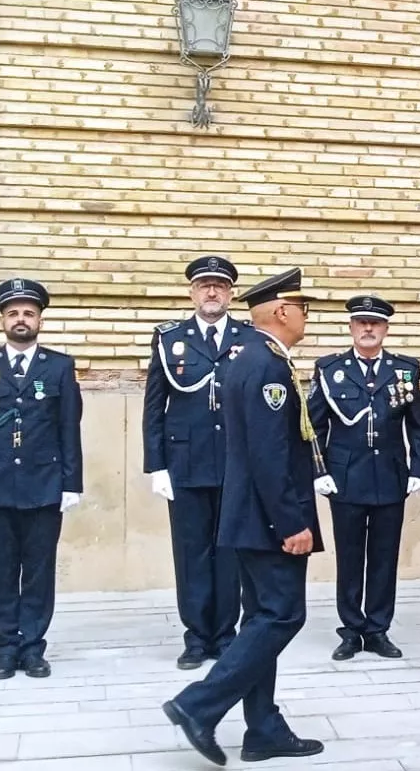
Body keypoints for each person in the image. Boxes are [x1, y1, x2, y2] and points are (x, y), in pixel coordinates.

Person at [164, 268, 325, 766]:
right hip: (267, 521)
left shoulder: (257, 359)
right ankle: (199, 705)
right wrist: (291, 523)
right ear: (281, 311)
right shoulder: (265, 367)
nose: (305, 316)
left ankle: (263, 729)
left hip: (252, 518)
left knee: (261, 618)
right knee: (281, 616)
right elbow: (268, 455)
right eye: (302, 307)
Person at [0, 278, 83, 680]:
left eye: (29, 312)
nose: (21, 319)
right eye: (13, 313)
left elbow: (69, 428)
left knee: (38, 571)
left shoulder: (59, 367)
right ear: (2, 320)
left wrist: (71, 483)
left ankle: (32, 648)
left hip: (44, 485)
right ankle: (4, 648)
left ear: (40, 319)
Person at [308, 295, 420, 661]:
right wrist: (319, 471)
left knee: (383, 558)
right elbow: (313, 427)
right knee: (349, 558)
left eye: (374, 323)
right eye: (361, 322)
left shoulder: (405, 369)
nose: (367, 329)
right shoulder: (330, 369)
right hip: (344, 480)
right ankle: (350, 630)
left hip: (390, 478)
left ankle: (377, 629)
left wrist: (417, 470)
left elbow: (419, 428)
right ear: (351, 328)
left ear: (385, 329)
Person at [143, 255, 249, 670]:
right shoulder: (171, 339)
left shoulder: (248, 337)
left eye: (219, 286)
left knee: (229, 552)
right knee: (190, 553)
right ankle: (195, 636)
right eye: (204, 285)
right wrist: (157, 465)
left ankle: (225, 635)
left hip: (233, 464)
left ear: (230, 293)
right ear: (192, 292)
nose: (211, 292)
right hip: (184, 463)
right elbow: (155, 404)